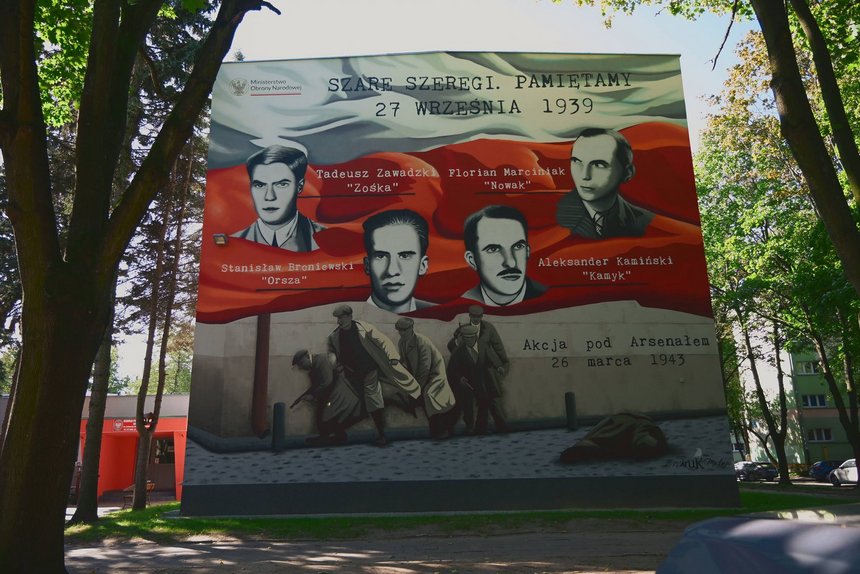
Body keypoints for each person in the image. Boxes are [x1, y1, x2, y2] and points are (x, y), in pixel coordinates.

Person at [326, 305, 421, 446]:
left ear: (350, 317)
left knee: (373, 400)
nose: (339, 321)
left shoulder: (364, 328)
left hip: (369, 370)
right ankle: (340, 433)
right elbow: (332, 352)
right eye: (338, 318)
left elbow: (383, 340)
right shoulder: (334, 336)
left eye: (342, 317)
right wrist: (332, 361)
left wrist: (392, 356)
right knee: (356, 403)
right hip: (350, 375)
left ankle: (381, 435)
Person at [556, 128, 654, 239]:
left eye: (598, 165)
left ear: (627, 173)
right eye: (577, 162)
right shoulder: (551, 218)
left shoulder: (646, 222)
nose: (585, 176)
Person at [231, 144, 324, 251]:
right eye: (260, 185)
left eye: (281, 184)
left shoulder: (327, 240)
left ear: (299, 186)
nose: (269, 196)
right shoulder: (235, 243)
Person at [462, 205, 546, 306]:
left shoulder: (550, 298)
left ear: (527, 251)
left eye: (518, 246)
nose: (511, 262)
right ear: (472, 260)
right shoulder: (462, 305)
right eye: (493, 249)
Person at [446, 305, 510, 434]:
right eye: (474, 316)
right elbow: (452, 346)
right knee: (467, 401)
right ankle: (467, 426)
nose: (476, 319)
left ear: (482, 316)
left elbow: (496, 347)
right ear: (470, 316)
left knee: (490, 399)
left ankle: (492, 426)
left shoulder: (489, 328)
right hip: (468, 373)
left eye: (479, 316)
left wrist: (502, 364)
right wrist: (459, 347)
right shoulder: (462, 330)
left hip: (486, 371)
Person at [394, 317, 456, 439]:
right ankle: (437, 430)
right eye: (399, 330)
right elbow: (403, 359)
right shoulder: (402, 342)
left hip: (434, 374)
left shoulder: (421, 341)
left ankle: (441, 430)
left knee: (430, 396)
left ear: (411, 328)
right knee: (421, 399)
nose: (402, 333)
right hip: (419, 376)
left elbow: (425, 367)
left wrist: (417, 388)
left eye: (404, 330)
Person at [363, 209, 434, 313]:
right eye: (381, 256)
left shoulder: (442, 316)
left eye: (405, 256)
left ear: (423, 265)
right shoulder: (343, 316)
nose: (392, 271)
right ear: (367, 265)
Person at [291, 349, 363, 447]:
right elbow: (317, 385)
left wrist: (312, 395)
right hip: (331, 392)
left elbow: (327, 382)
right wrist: (305, 396)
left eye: (301, 364)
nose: (301, 367)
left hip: (339, 391)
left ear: (307, 358)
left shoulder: (321, 361)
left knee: (328, 413)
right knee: (325, 413)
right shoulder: (315, 366)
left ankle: (329, 437)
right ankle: (335, 436)